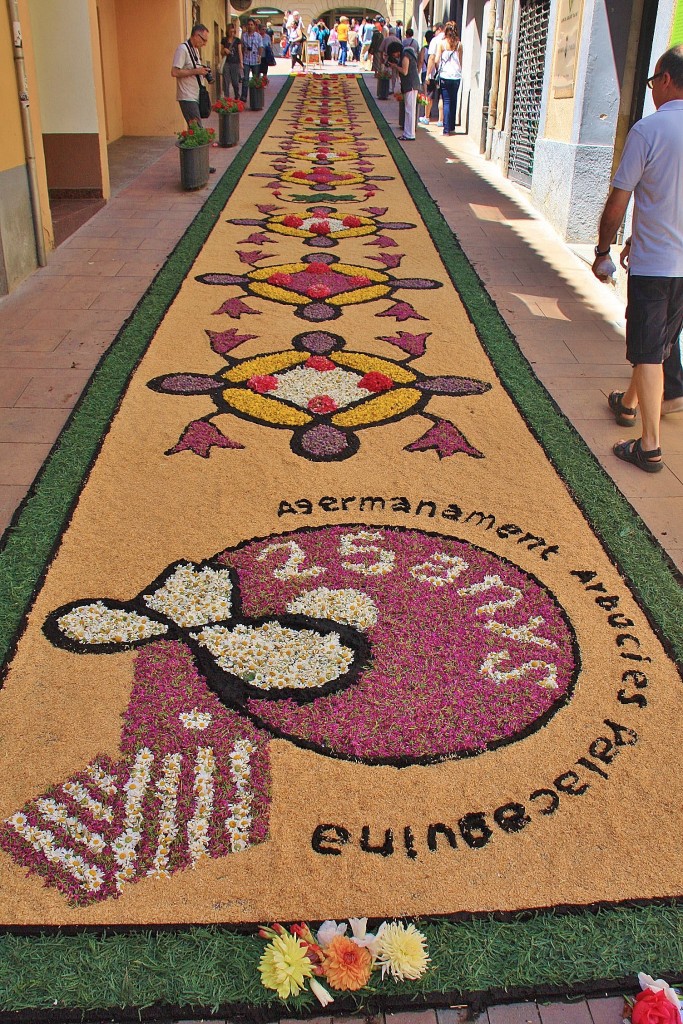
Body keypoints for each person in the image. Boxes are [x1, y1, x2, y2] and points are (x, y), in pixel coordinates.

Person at [592, 44, 683, 473]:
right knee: (659, 343)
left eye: (651, 82)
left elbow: (618, 201)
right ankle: (627, 404)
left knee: (649, 351)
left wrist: (603, 250)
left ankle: (649, 447)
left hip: (656, 263)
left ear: (666, 78)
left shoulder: (649, 131)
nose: (650, 90)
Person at [171, 23, 213, 126]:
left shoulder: (195, 50)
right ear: (196, 35)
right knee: (197, 129)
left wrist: (202, 71)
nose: (204, 44)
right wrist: (196, 71)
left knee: (195, 130)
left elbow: (193, 68)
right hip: (187, 95)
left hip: (196, 94)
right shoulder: (182, 49)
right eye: (204, 40)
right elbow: (174, 72)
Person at [432, 21, 462, 135]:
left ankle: (446, 130)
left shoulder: (442, 44)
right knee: (454, 100)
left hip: (445, 75)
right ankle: (452, 127)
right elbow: (461, 61)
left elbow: (436, 60)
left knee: (447, 102)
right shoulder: (459, 45)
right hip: (456, 76)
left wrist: (438, 67)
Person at [388, 40, 420, 142]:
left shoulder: (405, 55)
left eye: (394, 54)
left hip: (410, 85)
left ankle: (410, 134)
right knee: (408, 110)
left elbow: (405, 71)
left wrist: (395, 66)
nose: (395, 56)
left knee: (410, 110)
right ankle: (407, 133)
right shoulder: (407, 53)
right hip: (409, 85)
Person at [240, 18, 263, 100]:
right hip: (246, 59)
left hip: (255, 60)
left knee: (255, 79)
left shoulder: (258, 36)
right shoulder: (243, 36)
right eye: (248, 25)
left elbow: (260, 47)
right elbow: (242, 47)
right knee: (245, 79)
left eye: (251, 25)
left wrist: (259, 56)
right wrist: (241, 59)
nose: (250, 26)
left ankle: (255, 96)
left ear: (254, 26)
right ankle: (243, 97)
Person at [220, 24, 243, 100]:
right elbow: (221, 52)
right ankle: (227, 98)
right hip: (226, 62)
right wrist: (224, 50)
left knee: (235, 81)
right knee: (226, 81)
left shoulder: (237, 40)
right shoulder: (224, 40)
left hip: (235, 63)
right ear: (228, 31)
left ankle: (237, 96)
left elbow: (240, 52)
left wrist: (241, 63)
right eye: (230, 31)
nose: (232, 33)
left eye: (233, 31)